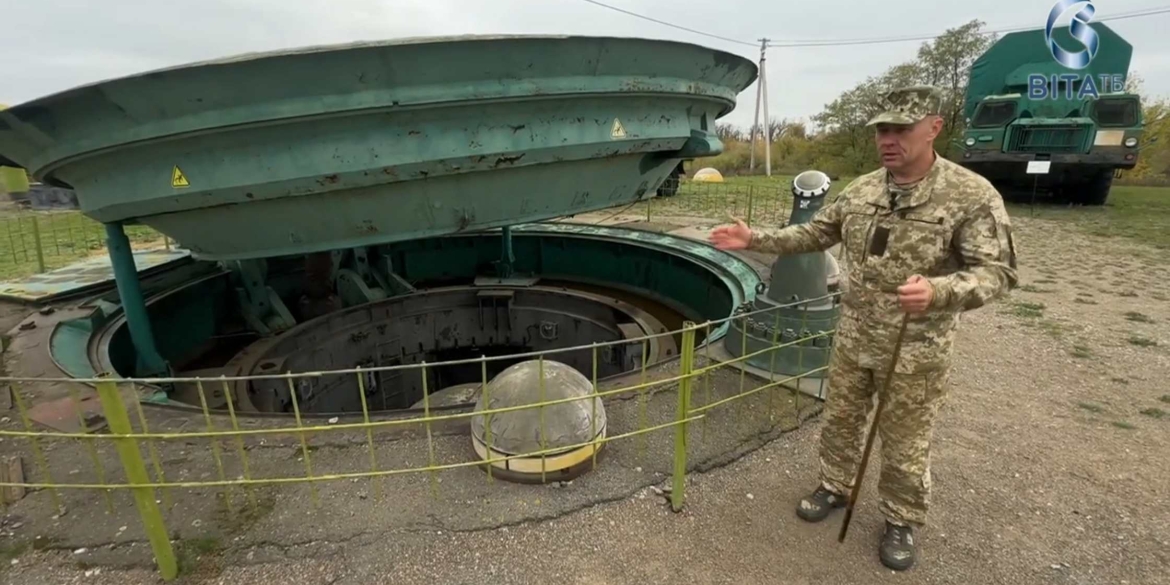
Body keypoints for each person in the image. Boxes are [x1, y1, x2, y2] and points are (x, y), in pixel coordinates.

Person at [709, 85, 1018, 571]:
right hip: (853, 335)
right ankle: (834, 485)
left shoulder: (970, 195)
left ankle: (901, 517)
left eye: (901, 129)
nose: (888, 139)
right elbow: (816, 232)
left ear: (934, 127)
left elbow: (998, 273)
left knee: (905, 438)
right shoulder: (863, 189)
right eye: (882, 130)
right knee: (842, 419)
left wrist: (940, 292)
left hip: (914, 346)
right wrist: (756, 237)